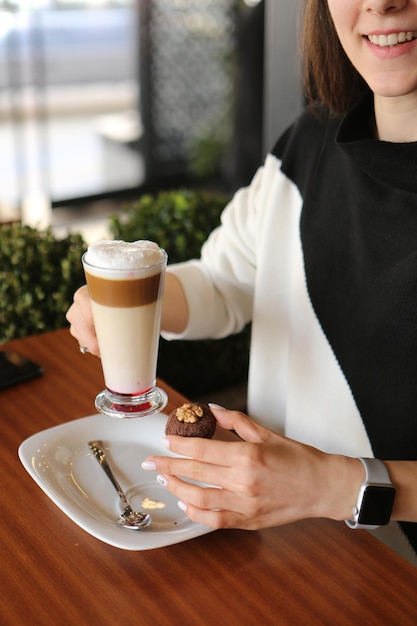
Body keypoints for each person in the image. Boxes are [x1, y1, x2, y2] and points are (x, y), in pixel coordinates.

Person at [67, 0, 417, 566]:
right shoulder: (309, 141)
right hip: (285, 549)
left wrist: (337, 486)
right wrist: (129, 307)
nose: (380, 3)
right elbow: (226, 279)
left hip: (391, 573)